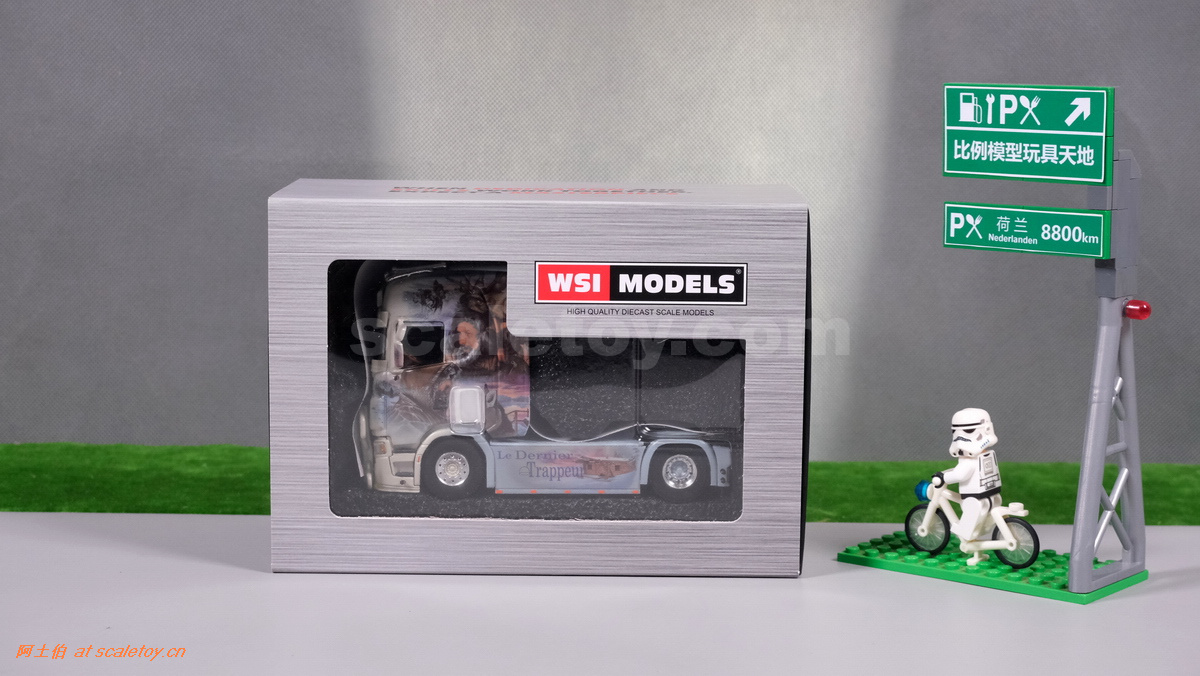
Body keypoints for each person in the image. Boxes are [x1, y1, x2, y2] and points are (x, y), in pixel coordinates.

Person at [929, 408, 1002, 564]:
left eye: (968, 431)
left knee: (966, 529)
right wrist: (948, 473)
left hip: (974, 499)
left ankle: (972, 546)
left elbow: (960, 475)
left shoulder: (969, 461)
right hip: (992, 495)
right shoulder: (987, 455)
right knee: (981, 523)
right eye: (955, 433)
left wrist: (943, 477)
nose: (959, 438)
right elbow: (959, 471)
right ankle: (978, 548)